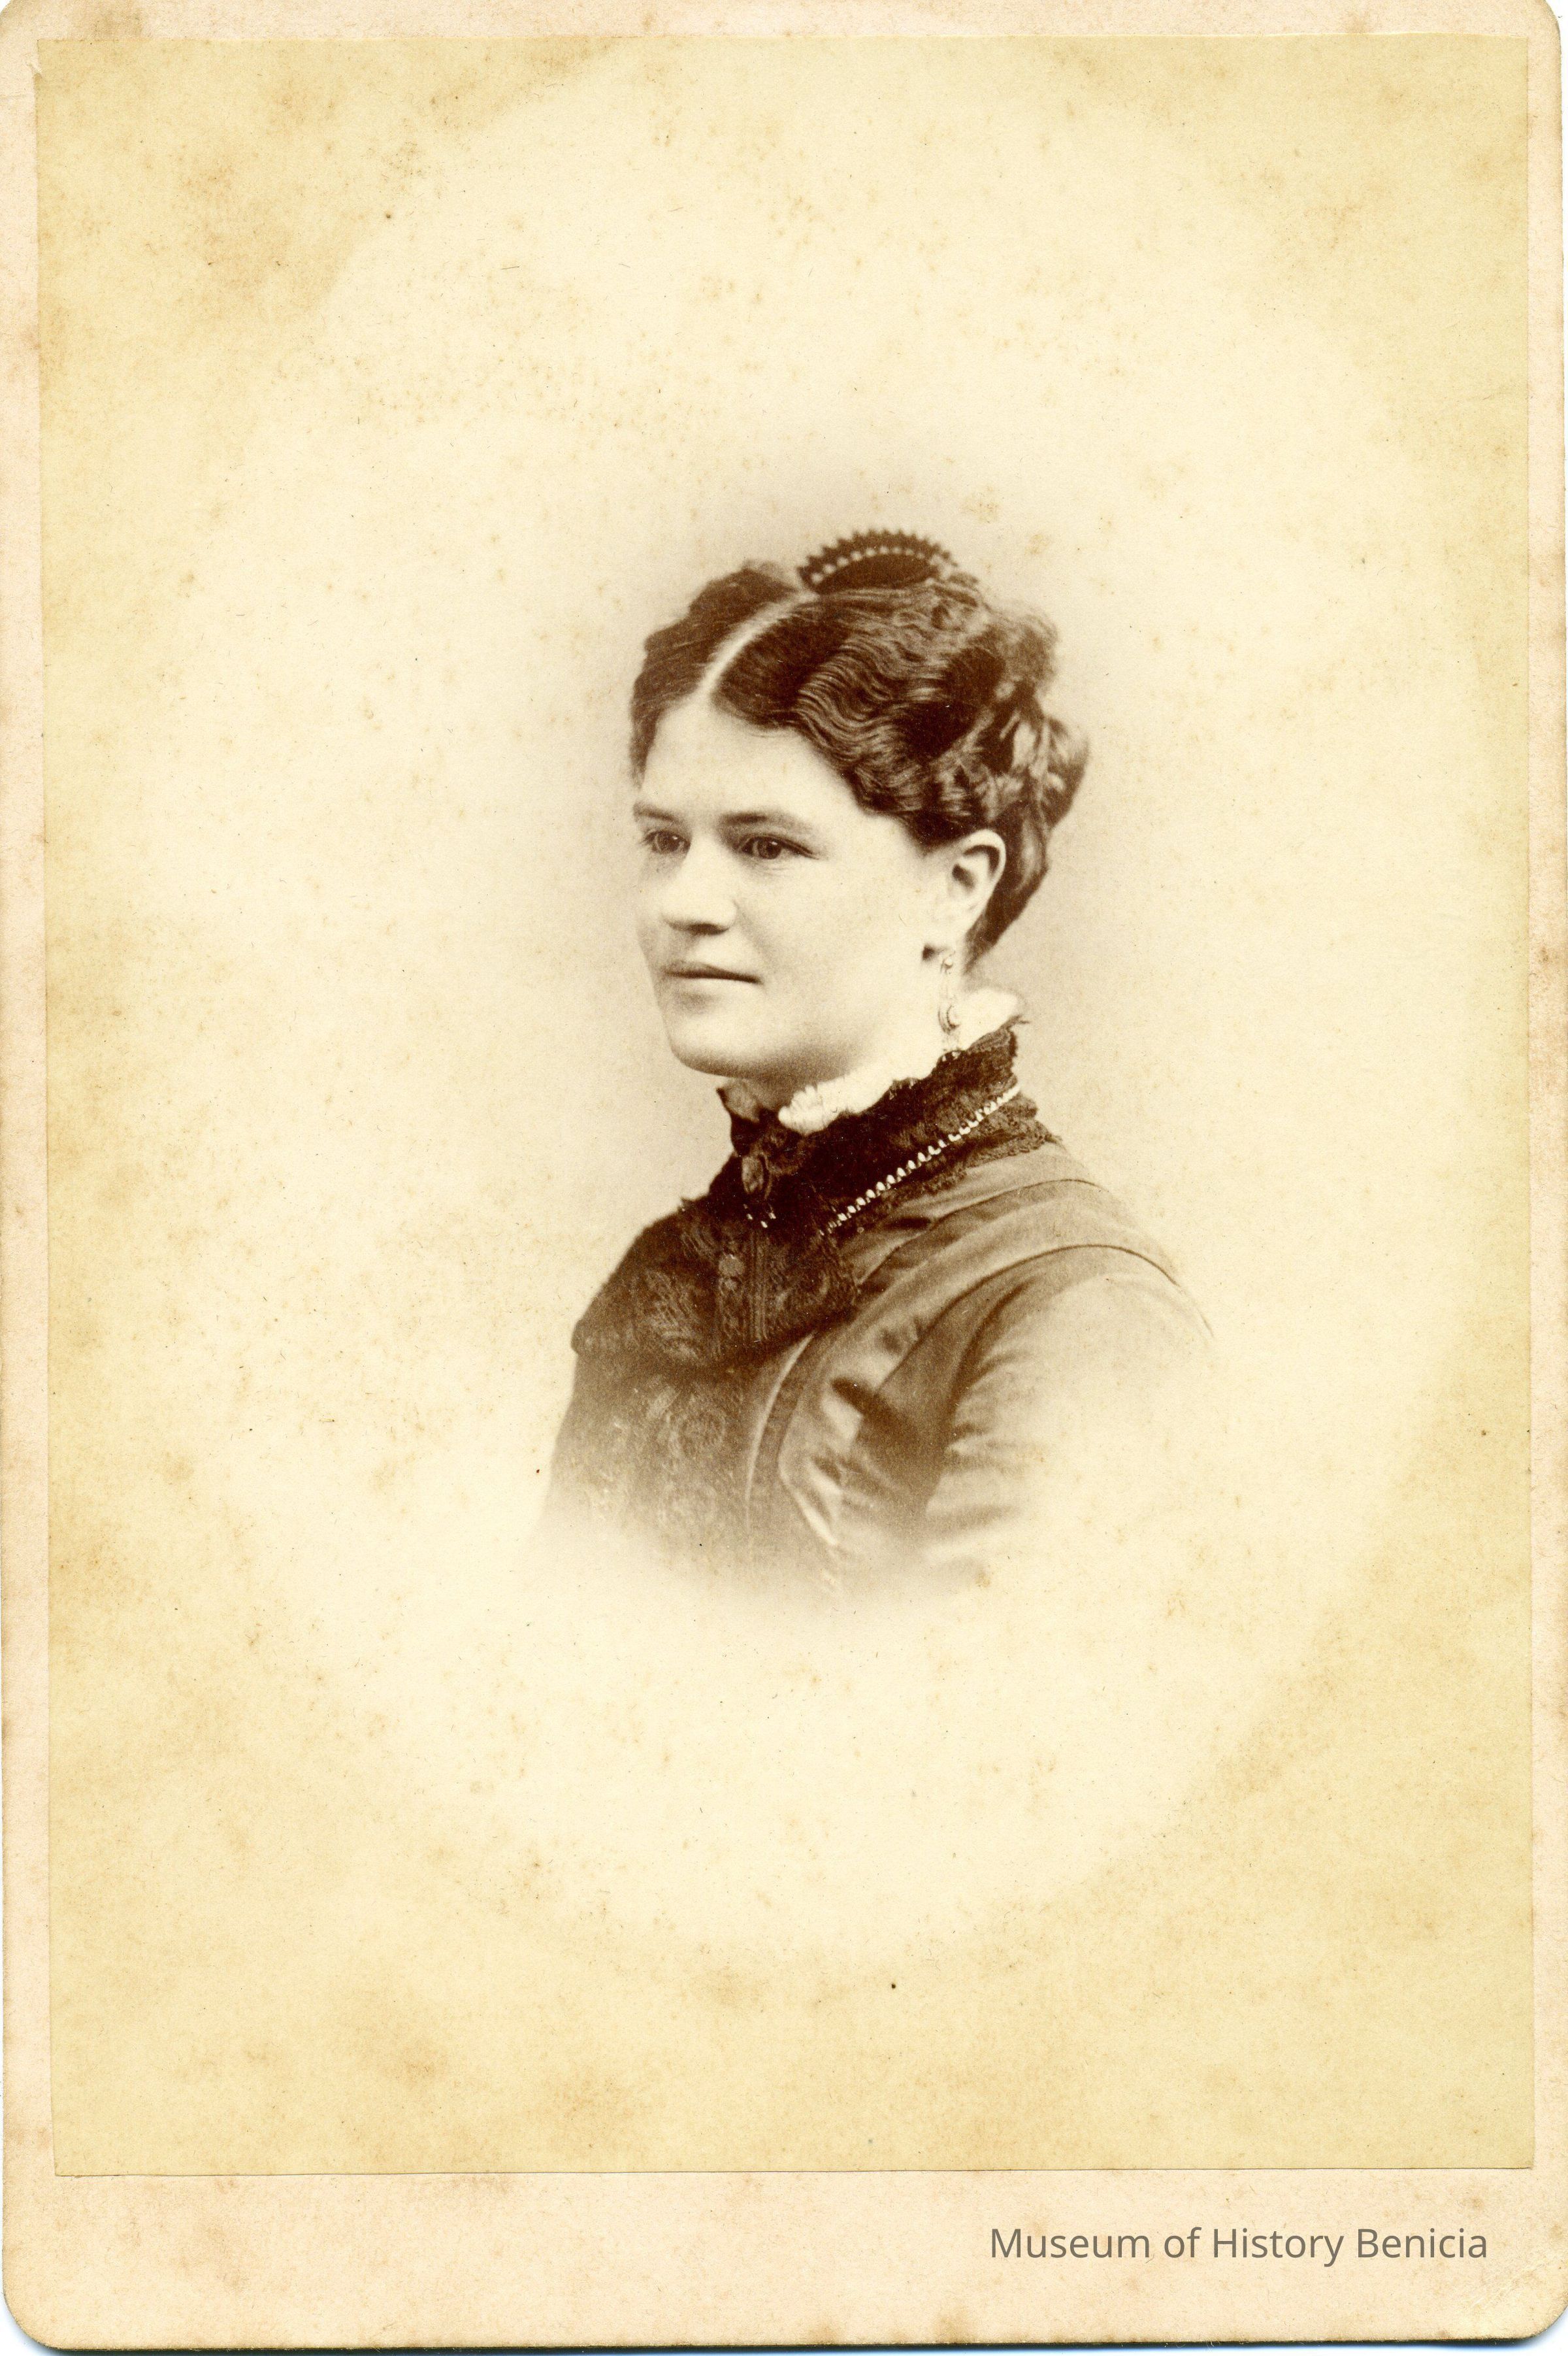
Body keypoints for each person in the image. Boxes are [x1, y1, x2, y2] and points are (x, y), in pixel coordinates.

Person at [547, 531, 1210, 1586]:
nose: (685, 902)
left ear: (956, 887)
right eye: (665, 840)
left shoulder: (1074, 1309)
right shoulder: (679, 1269)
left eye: (767, 845)